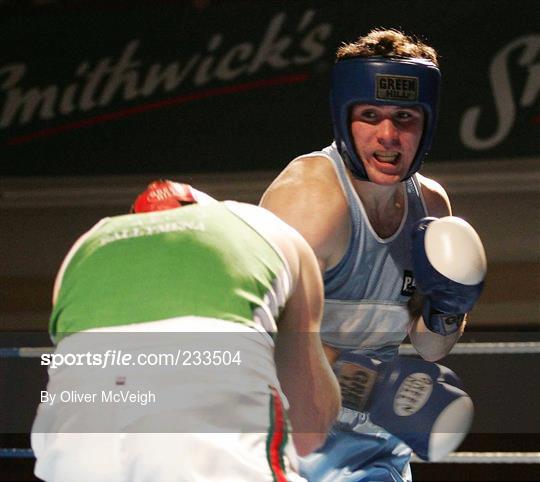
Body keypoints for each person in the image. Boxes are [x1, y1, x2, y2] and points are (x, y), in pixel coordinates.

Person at [260, 29, 486, 481]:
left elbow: (429, 347)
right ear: (344, 119)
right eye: (370, 115)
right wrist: (369, 383)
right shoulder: (311, 201)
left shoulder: (431, 206)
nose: (388, 135)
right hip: (293, 447)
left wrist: (447, 309)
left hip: (378, 449)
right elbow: (259, 333)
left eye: (404, 116)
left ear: (426, 122)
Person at [31, 180, 342, 482]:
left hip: (72, 458)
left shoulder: (84, 247)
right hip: (211, 455)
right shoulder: (265, 227)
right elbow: (309, 427)